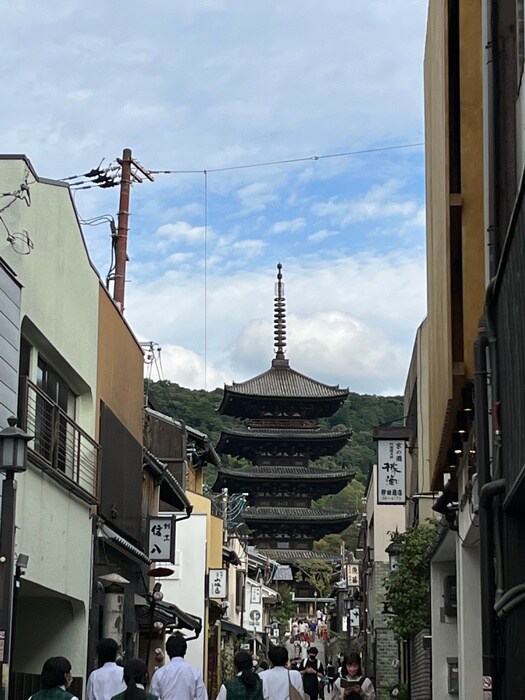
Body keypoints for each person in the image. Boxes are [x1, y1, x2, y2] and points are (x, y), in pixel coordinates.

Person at [150, 632, 207, 700]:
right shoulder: (194, 673)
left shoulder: (159, 674)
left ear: (167, 652)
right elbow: (202, 697)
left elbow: (153, 697)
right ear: (185, 651)